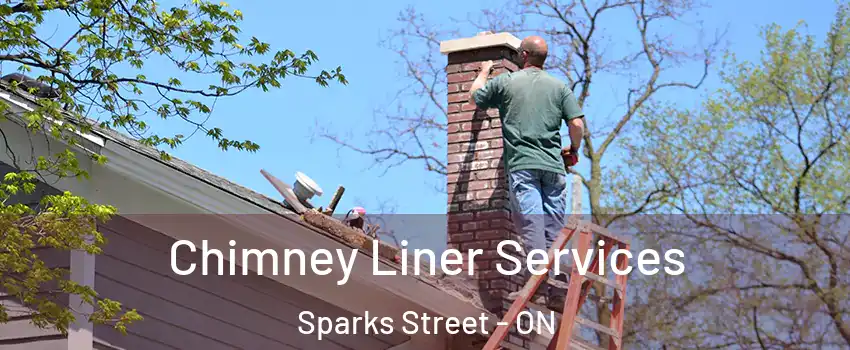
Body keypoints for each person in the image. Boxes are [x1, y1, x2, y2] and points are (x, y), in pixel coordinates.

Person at [468, 35, 584, 312]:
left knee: (533, 225)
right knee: (553, 229)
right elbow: (576, 124)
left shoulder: (508, 82)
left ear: (523, 56)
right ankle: (555, 285)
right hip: (554, 167)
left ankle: (539, 281)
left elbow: (476, 97)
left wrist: (484, 71)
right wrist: (573, 149)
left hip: (524, 165)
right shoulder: (559, 87)